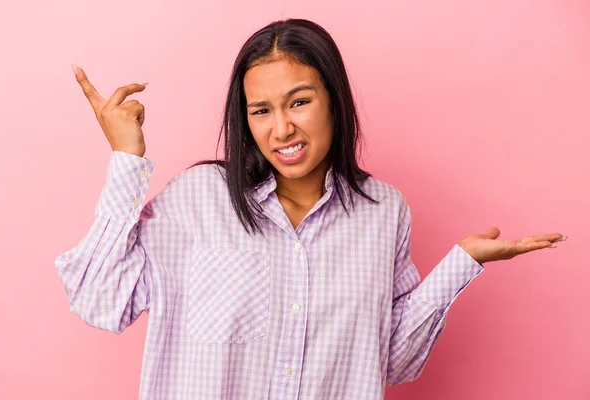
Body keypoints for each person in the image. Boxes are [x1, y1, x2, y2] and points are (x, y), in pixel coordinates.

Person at [55, 18, 566, 400]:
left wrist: (462, 263)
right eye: (262, 110)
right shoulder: (197, 199)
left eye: (299, 102)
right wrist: (126, 158)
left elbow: (390, 362)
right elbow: (99, 300)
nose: (281, 129)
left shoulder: (383, 212)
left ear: (334, 101)